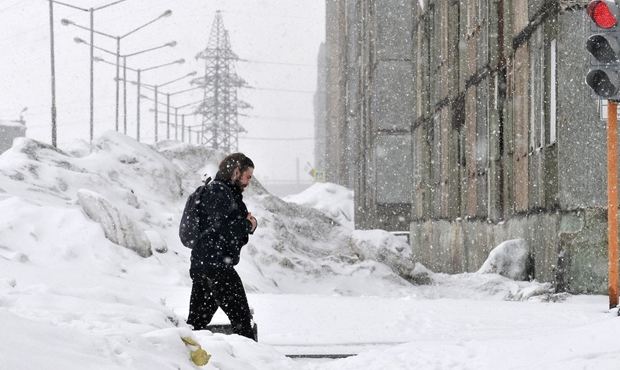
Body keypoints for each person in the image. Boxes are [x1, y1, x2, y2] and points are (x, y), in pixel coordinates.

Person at [186, 152, 258, 340]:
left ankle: (185, 360)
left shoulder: (222, 192)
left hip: (204, 266)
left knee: (195, 326)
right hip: (217, 268)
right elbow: (223, 229)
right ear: (236, 172)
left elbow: (221, 228)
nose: (249, 181)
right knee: (242, 324)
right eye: (247, 176)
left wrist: (244, 225)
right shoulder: (219, 192)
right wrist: (248, 225)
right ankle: (253, 362)